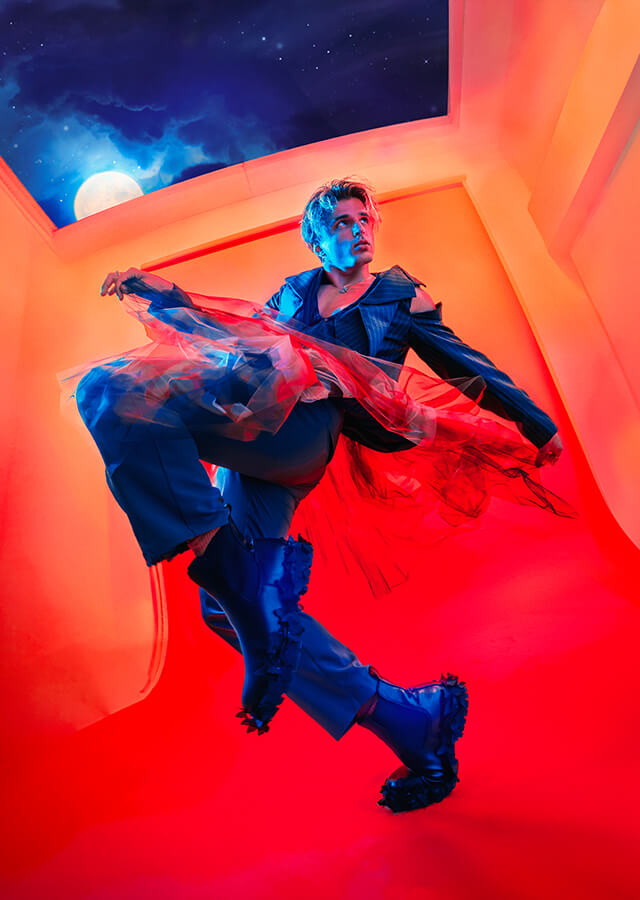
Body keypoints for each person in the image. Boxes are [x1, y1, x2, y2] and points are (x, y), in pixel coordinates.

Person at [70, 177, 566, 813]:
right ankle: (410, 721)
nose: (359, 229)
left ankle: (232, 568)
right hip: (250, 433)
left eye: (365, 219)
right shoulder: (292, 294)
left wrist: (535, 423)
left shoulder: (400, 296)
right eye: (341, 223)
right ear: (316, 240)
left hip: (304, 433)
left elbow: (464, 364)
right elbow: (235, 334)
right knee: (226, 608)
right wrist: (165, 295)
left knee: (114, 390)